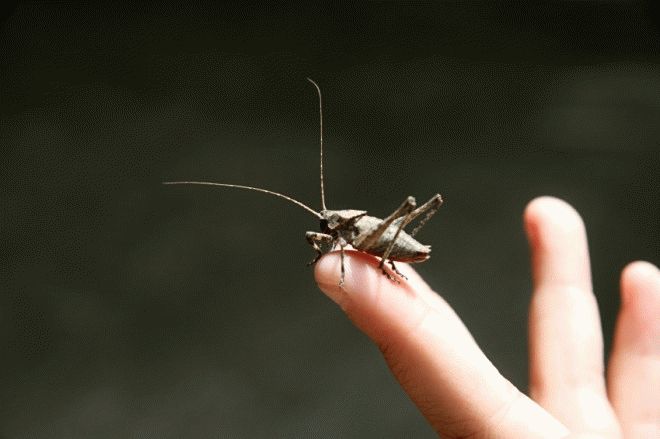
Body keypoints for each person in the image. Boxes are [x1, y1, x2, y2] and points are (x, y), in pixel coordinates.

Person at [313, 196, 659, 438]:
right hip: (380, 243)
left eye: (330, 225)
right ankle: (386, 262)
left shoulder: (354, 231)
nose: (326, 229)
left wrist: (382, 261)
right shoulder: (338, 231)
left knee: (401, 213)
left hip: (385, 244)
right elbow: (320, 240)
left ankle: (386, 263)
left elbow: (345, 250)